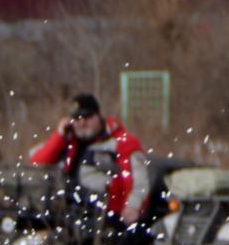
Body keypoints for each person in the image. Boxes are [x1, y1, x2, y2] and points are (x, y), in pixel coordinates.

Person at [29, 93, 153, 226]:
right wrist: (59, 137)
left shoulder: (122, 142)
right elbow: (38, 163)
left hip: (107, 216)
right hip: (68, 213)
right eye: (77, 118)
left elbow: (139, 180)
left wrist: (132, 207)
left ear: (99, 116)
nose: (82, 123)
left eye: (87, 117)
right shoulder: (67, 140)